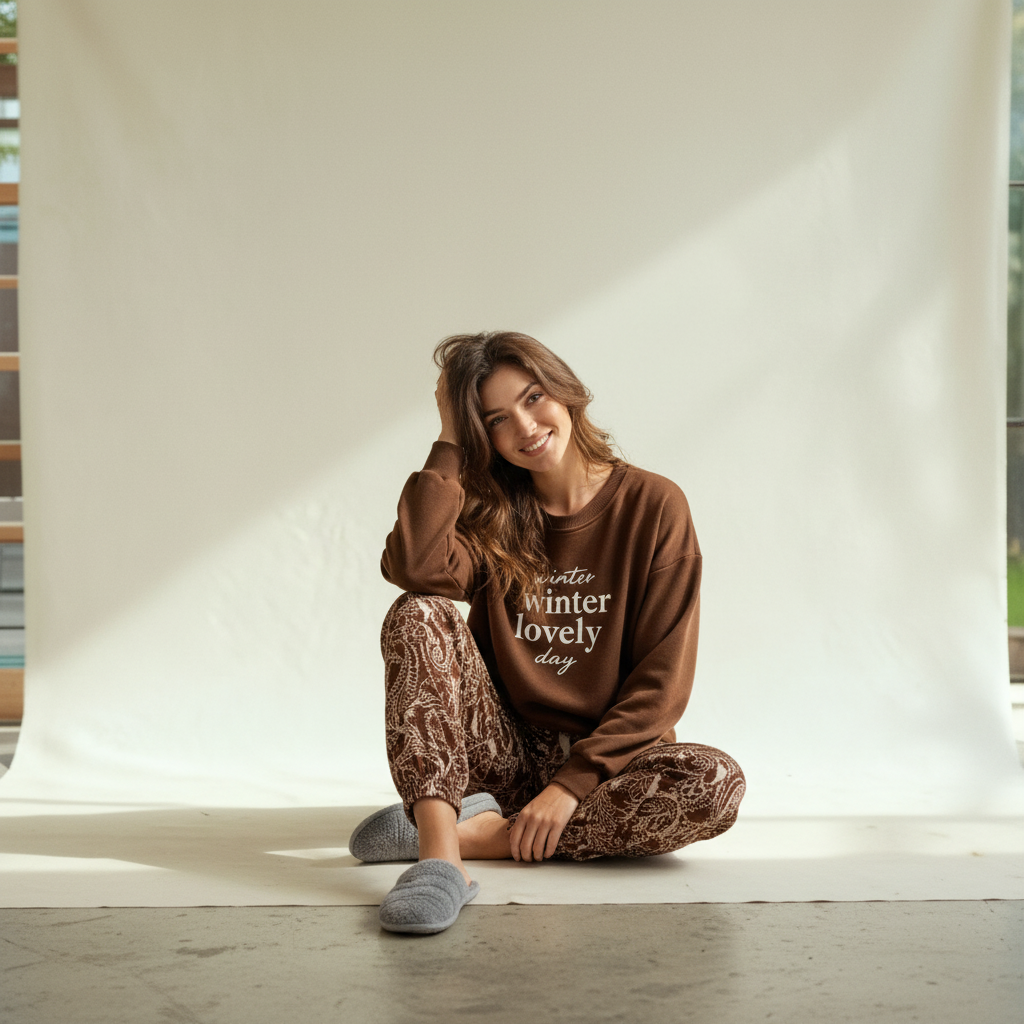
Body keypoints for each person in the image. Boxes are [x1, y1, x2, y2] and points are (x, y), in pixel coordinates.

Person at [350, 331, 745, 934]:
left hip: (609, 766)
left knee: (714, 784)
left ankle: (474, 830)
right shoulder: (489, 512)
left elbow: (661, 682)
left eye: (533, 398)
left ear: (564, 391)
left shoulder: (654, 505)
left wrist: (569, 787)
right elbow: (414, 566)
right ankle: (441, 858)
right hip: (501, 754)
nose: (526, 427)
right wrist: (449, 437)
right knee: (418, 612)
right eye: (496, 420)